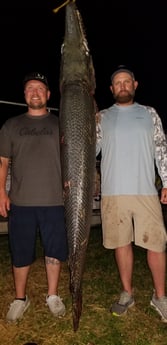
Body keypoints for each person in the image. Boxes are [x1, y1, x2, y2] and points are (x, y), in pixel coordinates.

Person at [96, 65, 167, 322]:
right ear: (112, 89)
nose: (123, 85)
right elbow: (90, 150)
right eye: (118, 82)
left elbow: (161, 148)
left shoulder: (149, 114)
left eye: (127, 81)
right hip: (113, 194)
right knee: (121, 243)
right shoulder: (102, 117)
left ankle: (160, 296)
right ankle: (127, 292)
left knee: (157, 244)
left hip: (145, 191)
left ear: (135, 85)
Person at [0, 72, 68, 322]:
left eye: (40, 88)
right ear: (25, 95)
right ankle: (20, 298)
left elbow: (72, 158)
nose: (35, 92)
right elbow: (3, 163)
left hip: (55, 202)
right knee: (20, 253)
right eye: (30, 88)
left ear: (48, 94)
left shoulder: (61, 124)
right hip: (21, 202)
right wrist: (1, 193)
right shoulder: (11, 125)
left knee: (54, 251)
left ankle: (52, 295)